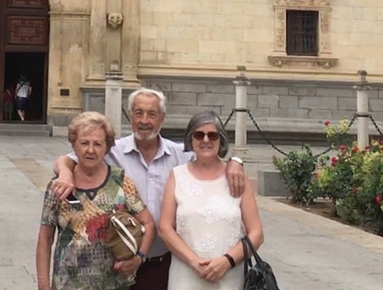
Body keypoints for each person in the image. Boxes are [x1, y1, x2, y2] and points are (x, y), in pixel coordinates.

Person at [52, 89, 246, 290]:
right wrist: (65, 172)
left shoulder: (180, 154)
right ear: (130, 115)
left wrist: (235, 161)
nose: (144, 120)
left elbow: (211, 158)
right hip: (121, 263)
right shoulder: (111, 150)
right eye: (138, 112)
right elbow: (69, 158)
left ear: (162, 118)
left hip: (165, 262)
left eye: (151, 114)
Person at [37, 112, 155, 290]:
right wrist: (43, 284)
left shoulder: (120, 181)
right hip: (67, 284)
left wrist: (139, 257)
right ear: (74, 145)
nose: (90, 150)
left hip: (113, 284)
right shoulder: (59, 186)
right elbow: (45, 239)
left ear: (106, 148)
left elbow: (148, 222)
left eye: (98, 144)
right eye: (84, 143)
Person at [158, 111, 264, 289]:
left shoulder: (237, 177)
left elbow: (256, 234)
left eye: (212, 135)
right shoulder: (177, 176)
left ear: (221, 140)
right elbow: (164, 228)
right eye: (199, 135)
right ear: (190, 140)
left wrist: (227, 261)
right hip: (186, 275)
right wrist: (195, 262)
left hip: (229, 276)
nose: (205, 140)